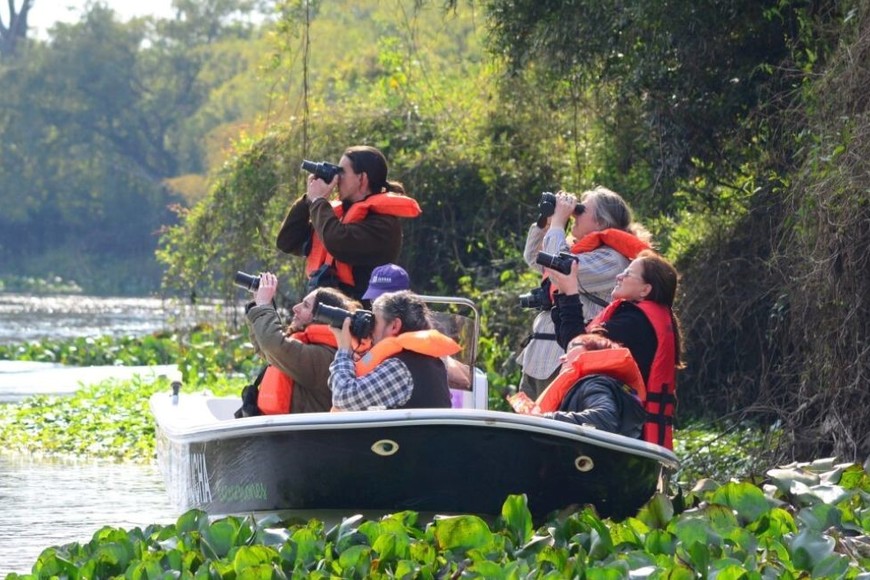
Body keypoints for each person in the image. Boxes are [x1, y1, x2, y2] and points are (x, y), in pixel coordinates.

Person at [515, 186, 652, 400]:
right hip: (536, 359)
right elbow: (533, 256)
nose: (573, 213)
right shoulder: (572, 248)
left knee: (551, 429)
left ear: (601, 222)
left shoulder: (612, 260)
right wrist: (548, 222)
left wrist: (560, 223)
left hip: (562, 361)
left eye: (580, 210)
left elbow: (560, 266)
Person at [547, 250, 684, 448]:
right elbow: (572, 343)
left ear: (645, 290)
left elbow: (576, 342)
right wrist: (563, 292)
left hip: (619, 421)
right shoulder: (640, 318)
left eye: (627, 274)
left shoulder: (635, 322)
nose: (619, 276)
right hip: (631, 424)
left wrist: (570, 292)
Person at [276, 146, 422, 301]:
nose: (337, 178)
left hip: (359, 315)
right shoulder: (336, 216)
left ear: (362, 179)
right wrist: (308, 201)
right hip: (324, 313)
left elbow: (338, 241)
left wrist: (318, 201)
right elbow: (287, 242)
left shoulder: (383, 225)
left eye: (342, 172)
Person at [243, 272, 360, 414]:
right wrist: (258, 304)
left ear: (324, 316)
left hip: (303, 435)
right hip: (292, 433)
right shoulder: (316, 349)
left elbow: (273, 346)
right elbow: (267, 350)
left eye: (305, 305)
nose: (295, 308)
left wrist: (263, 306)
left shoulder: (325, 358)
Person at [327, 290, 460, 411]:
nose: (370, 329)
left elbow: (343, 398)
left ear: (395, 326)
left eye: (375, 322)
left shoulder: (400, 368)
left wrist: (344, 350)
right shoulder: (432, 362)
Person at [512, 334, 648, 438]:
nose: (562, 357)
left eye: (572, 348)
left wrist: (546, 419)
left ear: (592, 353)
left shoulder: (596, 384)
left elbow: (603, 419)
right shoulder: (608, 385)